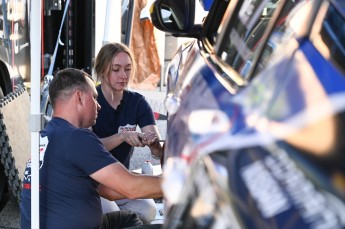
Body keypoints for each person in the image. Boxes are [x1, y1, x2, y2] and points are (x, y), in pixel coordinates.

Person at [20, 68, 163, 229]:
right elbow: (131, 187)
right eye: (94, 98)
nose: (99, 106)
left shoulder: (43, 137)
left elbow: (109, 191)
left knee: (129, 219)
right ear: (79, 97)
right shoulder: (77, 138)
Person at [92, 42, 163, 224]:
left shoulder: (137, 102)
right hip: (94, 182)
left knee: (148, 211)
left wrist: (154, 144)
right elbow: (87, 149)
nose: (123, 76)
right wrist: (122, 136)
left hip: (121, 179)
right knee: (112, 216)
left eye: (128, 69)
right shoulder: (91, 101)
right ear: (101, 70)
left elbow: (157, 150)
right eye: (116, 69)